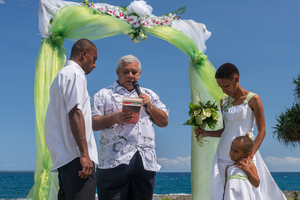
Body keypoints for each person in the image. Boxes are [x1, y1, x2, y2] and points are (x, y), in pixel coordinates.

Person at [196, 63, 286, 200]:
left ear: (236, 79)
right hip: (224, 154)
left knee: (249, 191)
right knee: (225, 191)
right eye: (221, 87)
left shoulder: (253, 99)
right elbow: (226, 130)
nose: (224, 90)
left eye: (226, 86)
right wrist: (206, 133)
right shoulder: (223, 102)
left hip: (245, 153)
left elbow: (262, 131)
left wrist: (250, 156)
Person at [91, 55, 169, 200]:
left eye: (134, 72)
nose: (130, 76)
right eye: (126, 72)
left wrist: (150, 106)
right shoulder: (103, 95)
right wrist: (114, 118)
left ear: (139, 74)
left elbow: (164, 121)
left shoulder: (149, 95)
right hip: (113, 161)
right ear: (117, 72)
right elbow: (92, 123)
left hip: (145, 161)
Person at [45, 38, 99, 200]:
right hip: (76, 157)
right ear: (84, 54)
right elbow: (75, 112)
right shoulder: (75, 74)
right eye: (94, 59)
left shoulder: (61, 76)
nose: (94, 65)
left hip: (65, 158)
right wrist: (84, 154)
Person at [223, 135, 260, 200]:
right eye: (231, 149)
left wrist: (247, 170)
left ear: (246, 154)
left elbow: (256, 184)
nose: (232, 153)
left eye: (236, 151)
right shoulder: (228, 168)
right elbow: (226, 187)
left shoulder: (250, 166)